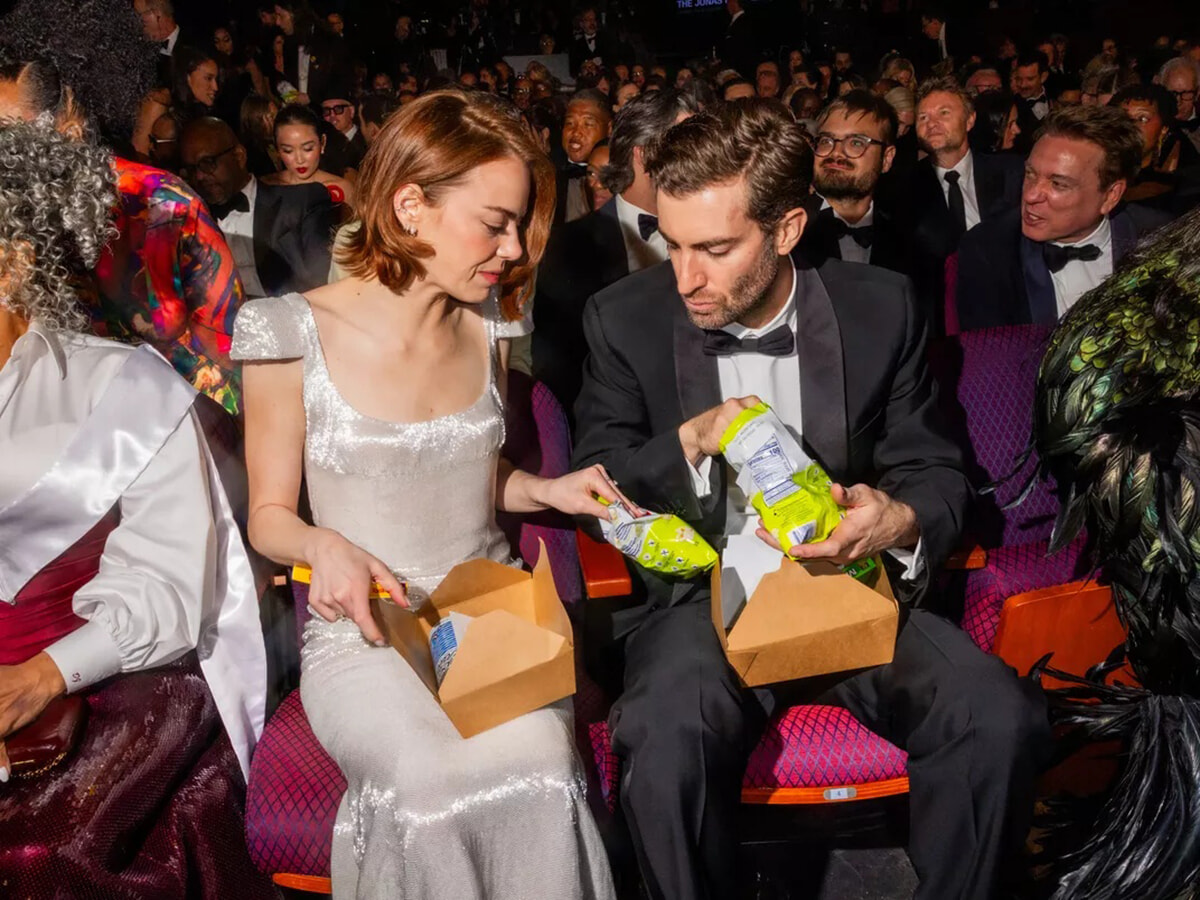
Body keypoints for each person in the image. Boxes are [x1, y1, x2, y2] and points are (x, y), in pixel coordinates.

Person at [571, 98, 1049, 900]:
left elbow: (933, 469)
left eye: (714, 249)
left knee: (997, 718)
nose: (684, 278)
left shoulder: (882, 307)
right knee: (662, 737)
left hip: (850, 587)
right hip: (702, 603)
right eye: (671, 242)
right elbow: (600, 477)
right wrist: (691, 439)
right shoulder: (623, 319)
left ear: (788, 228)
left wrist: (896, 519)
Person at [231, 89, 616, 900]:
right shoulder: (286, 331)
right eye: (495, 223)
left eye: (520, 225)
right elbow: (268, 517)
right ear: (411, 207)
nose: (513, 248)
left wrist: (549, 488)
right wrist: (322, 544)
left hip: (493, 611)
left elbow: (472, 471)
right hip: (368, 628)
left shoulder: (491, 323)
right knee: (428, 784)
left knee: (541, 766)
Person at [0, 117, 271, 900]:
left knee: (41, 854)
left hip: (107, 675)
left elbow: (169, 586)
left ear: (15, 261)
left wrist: (42, 677)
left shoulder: (121, 390)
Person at [0, 0, 247, 414]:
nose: (8, 155)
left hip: (175, 427)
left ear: (70, 120)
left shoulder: (164, 205)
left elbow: (230, 355)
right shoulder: (14, 222)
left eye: (14, 136)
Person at [535, 90, 683, 415]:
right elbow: (559, 372)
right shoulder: (569, 247)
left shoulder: (712, 232)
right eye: (689, 147)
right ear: (643, 155)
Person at [956, 105, 1169, 329]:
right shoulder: (988, 249)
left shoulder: (1161, 243)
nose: (1030, 195)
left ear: (1110, 196)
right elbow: (993, 348)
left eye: (1058, 184)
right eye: (1030, 174)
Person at [908, 76, 1024, 326]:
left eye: (944, 113)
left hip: (1009, 311)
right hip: (941, 318)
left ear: (970, 120)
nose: (932, 123)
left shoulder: (1011, 173)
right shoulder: (902, 188)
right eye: (923, 117)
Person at [181, 116, 334, 298]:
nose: (199, 177)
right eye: (191, 170)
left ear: (239, 156)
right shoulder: (190, 221)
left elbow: (322, 284)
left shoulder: (301, 202)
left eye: (207, 164)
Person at [801, 91, 911, 277]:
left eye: (856, 143)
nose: (836, 152)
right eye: (826, 140)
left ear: (886, 158)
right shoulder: (786, 232)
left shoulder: (909, 245)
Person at [1112, 83, 1200, 210]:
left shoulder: (1179, 190)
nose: (1131, 126)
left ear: (1164, 129)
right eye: (1123, 118)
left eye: (1142, 119)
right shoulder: (1098, 172)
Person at [264, 104, 356, 208]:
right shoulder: (264, 188)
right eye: (288, 151)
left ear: (322, 143)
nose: (299, 160)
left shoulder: (343, 188)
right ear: (277, 150)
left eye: (308, 149)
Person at [560, 89, 613, 222]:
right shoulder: (546, 173)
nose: (576, 132)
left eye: (588, 124)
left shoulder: (623, 175)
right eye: (569, 123)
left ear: (610, 129)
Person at [1158, 56, 1200, 153]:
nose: (1178, 101)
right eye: (1172, 93)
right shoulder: (1153, 126)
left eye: (1186, 93)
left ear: (1197, 93)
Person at [172, 46, 221, 124]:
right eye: (208, 78)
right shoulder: (168, 116)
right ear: (188, 77)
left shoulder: (208, 113)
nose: (215, 87)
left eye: (216, 79)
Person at [239, 94, 280, 177]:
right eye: (271, 117)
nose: (278, 121)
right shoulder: (251, 154)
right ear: (258, 119)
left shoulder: (275, 141)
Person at [721, 0, 758, 81]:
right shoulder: (741, 20)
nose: (727, 6)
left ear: (734, 3)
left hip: (742, 69)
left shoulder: (744, 21)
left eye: (728, 3)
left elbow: (740, 47)